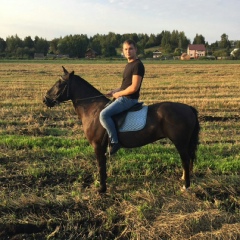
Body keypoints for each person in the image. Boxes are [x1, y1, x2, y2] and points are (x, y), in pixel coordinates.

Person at [99, 39, 145, 155]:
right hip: (124, 97)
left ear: (136, 50)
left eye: (130, 49)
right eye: (126, 49)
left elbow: (133, 88)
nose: (128, 51)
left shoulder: (138, 65)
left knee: (104, 114)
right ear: (123, 51)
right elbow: (124, 86)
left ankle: (115, 142)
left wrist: (118, 94)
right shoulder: (129, 65)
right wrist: (113, 91)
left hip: (129, 99)